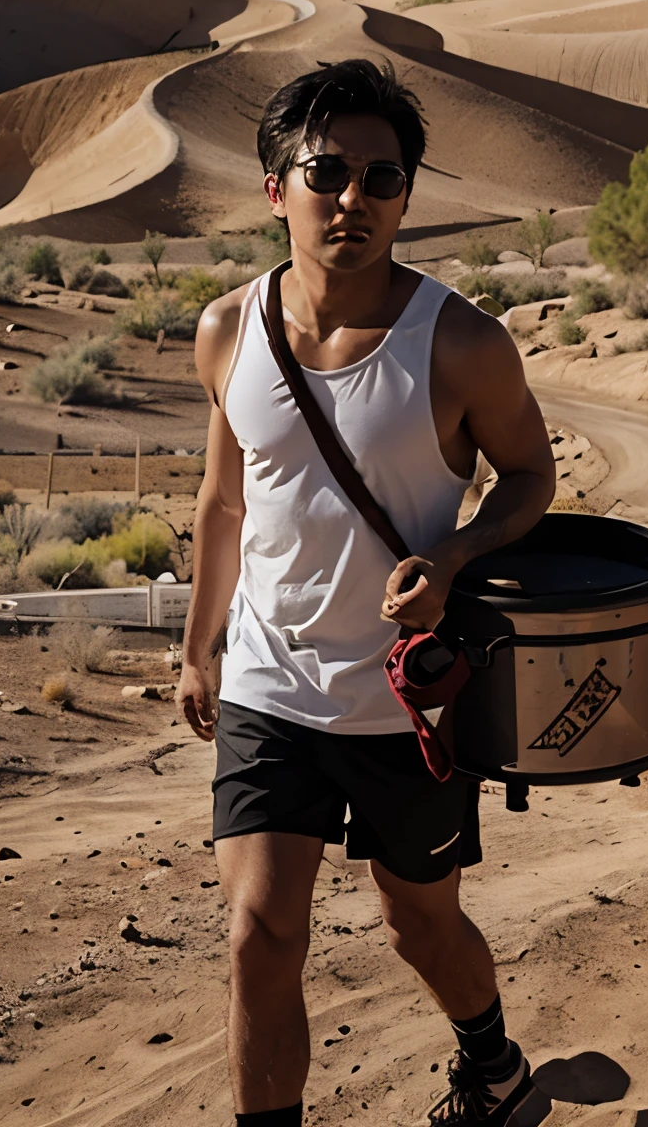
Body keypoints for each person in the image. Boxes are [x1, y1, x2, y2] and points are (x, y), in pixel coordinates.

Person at [177, 59, 558, 1126]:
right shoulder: (227, 332)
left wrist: (458, 556)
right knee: (259, 934)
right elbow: (222, 502)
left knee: (419, 926)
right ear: (274, 188)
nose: (354, 199)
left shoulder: (464, 343)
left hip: (405, 700)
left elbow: (533, 476)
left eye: (381, 179)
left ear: (406, 197)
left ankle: (493, 1068)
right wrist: (199, 648)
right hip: (269, 684)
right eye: (327, 171)